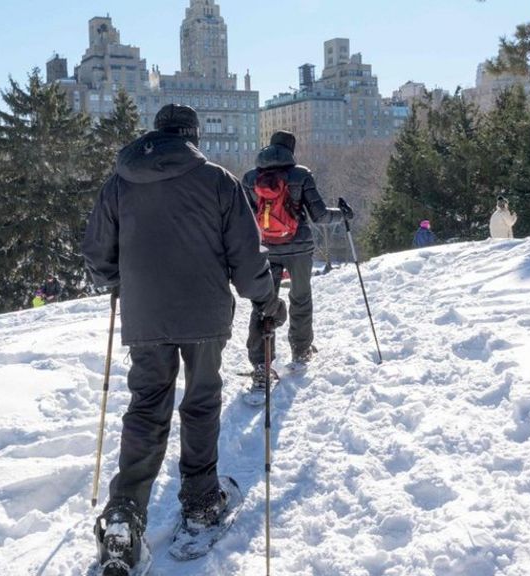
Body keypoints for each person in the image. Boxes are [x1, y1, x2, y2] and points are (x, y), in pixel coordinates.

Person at [82, 104, 285, 574]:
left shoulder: (120, 183)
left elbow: (97, 252)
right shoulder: (217, 179)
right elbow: (246, 253)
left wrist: (117, 282)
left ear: (157, 134)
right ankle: (199, 502)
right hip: (204, 312)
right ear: (193, 136)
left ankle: (124, 513)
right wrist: (266, 301)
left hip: (145, 314)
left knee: (147, 406)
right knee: (200, 402)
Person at [242, 130, 351, 381]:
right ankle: (301, 351)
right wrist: (343, 214)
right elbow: (320, 216)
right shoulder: (300, 175)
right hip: (299, 248)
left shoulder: (250, 179)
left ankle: (261, 362)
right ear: (291, 150)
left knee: (263, 303)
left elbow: (246, 220)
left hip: (266, 249)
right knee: (300, 299)